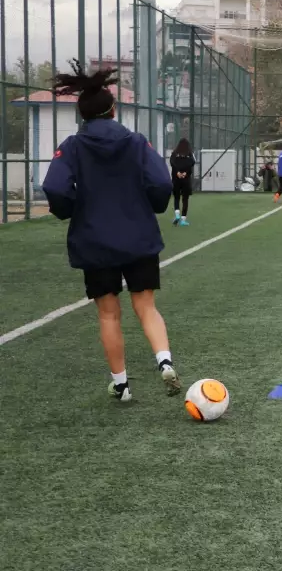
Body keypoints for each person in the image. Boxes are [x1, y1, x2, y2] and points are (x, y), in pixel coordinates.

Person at [40, 61, 180, 402]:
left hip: (94, 239)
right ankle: (164, 361)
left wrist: (71, 210)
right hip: (138, 236)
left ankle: (121, 385)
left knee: (108, 312)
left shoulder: (73, 146)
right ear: (113, 111)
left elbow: (55, 188)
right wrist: (153, 206)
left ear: (82, 116)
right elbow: (162, 181)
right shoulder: (136, 142)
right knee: (146, 305)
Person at [169, 138, 196, 226]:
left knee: (176, 197)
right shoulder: (189, 154)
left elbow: (172, 162)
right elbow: (193, 162)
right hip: (186, 179)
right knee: (185, 199)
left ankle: (177, 215)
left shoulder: (175, 153)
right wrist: (185, 173)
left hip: (176, 179)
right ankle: (183, 219)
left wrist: (177, 172)